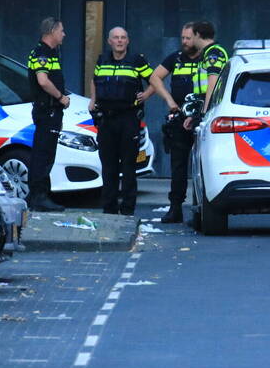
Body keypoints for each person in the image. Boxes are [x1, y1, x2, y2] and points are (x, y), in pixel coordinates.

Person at [89, 26, 153, 216]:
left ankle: (127, 210)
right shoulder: (103, 59)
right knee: (108, 166)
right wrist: (92, 100)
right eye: (116, 38)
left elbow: (155, 80)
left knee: (128, 166)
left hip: (128, 118)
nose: (119, 41)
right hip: (106, 119)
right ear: (109, 41)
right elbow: (94, 80)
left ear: (127, 41)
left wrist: (146, 95)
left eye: (123, 38)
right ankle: (109, 208)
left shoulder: (136, 61)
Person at [148, 22, 203, 223]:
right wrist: (169, 101)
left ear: (197, 37)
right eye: (183, 38)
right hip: (180, 118)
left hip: (202, 118)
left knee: (203, 166)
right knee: (178, 166)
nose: (185, 42)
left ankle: (201, 209)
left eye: (188, 38)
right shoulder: (176, 58)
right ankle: (175, 208)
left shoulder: (208, 59)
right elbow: (155, 77)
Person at [27, 17, 69, 212]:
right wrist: (60, 97)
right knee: (43, 155)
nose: (63, 34)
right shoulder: (43, 53)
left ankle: (40, 195)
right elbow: (43, 81)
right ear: (52, 31)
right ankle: (38, 197)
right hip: (48, 110)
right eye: (61, 30)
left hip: (49, 111)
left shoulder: (50, 53)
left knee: (45, 154)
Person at [192, 20, 230, 113]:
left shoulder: (213, 53)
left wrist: (206, 111)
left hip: (213, 106)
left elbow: (213, 81)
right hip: (208, 103)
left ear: (197, 34)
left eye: (192, 37)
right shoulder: (209, 52)